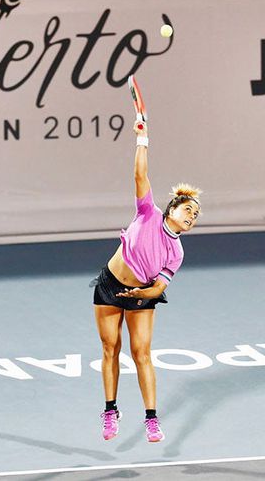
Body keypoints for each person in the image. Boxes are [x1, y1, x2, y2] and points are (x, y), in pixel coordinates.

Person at [91, 118, 202, 443]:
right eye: (188, 210)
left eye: (195, 216)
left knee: (141, 353)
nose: (192, 216)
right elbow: (140, 174)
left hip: (141, 294)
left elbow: (159, 287)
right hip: (109, 285)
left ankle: (152, 419)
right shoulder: (147, 212)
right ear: (171, 208)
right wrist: (143, 139)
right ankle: (110, 410)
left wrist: (143, 292)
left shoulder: (176, 253)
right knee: (110, 348)